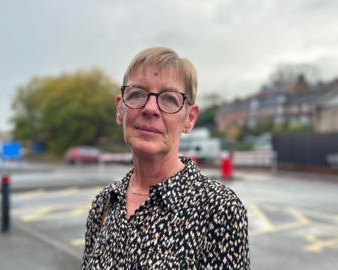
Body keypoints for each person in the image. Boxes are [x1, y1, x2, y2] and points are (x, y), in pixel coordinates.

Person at [82, 47, 249, 269]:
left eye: (169, 99)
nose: (150, 108)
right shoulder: (104, 203)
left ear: (190, 118)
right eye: (138, 94)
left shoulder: (219, 209)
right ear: (120, 109)